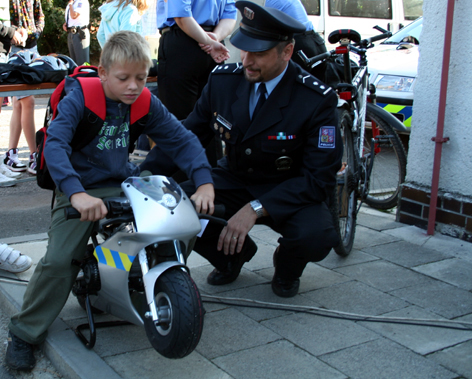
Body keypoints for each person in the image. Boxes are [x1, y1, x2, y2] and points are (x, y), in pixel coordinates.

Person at [5, 30, 215, 371]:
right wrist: (76, 193)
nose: (133, 86)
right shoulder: (81, 98)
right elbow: (55, 146)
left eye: (141, 77)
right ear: (103, 73)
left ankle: (139, 280)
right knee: (59, 262)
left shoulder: (145, 100)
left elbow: (182, 139)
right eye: (123, 78)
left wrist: (204, 182)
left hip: (121, 182)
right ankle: (24, 334)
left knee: (174, 218)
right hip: (78, 186)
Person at [142, 0, 343, 298]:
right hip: (234, 178)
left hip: (289, 188)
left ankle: (287, 268)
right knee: (173, 207)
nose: (247, 60)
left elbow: (319, 179)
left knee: (316, 235)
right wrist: (142, 174)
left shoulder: (315, 99)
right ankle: (231, 256)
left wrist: (254, 210)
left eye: (259, 53)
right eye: (244, 48)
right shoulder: (224, 81)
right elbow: (185, 138)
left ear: (286, 52)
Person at [156, 0, 237, 121]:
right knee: (211, 119)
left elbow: (181, 15)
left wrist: (210, 41)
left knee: (178, 122)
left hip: (183, 41)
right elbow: (229, 14)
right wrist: (214, 39)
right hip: (214, 42)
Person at [3, 0, 44, 175]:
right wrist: (15, 33)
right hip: (12, 48)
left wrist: (34, 32)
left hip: (31, 48)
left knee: (20, 104)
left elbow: (39, 17)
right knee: (28, 101)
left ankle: (11, 154)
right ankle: (34, 155)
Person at [265, 0, 328, 81]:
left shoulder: (272, 1)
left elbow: (268, 28)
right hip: (315, 40)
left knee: (292, 85)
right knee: (317, 86)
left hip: (300, 43)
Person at [63, 0, 90, 65]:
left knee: (82, 63)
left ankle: (85, 75)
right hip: (71, 33)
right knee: (73, 64)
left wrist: (70, 4)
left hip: (79, 34)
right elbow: (71, 18)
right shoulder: (73, 2)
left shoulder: (81, 1)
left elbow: (74, 15)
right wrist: (66, 23)